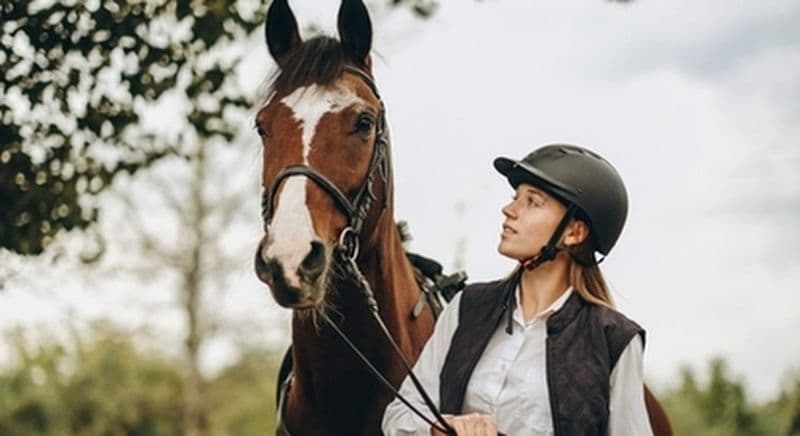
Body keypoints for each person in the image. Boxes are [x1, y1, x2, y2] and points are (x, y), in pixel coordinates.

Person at [382, 144, 653, 436]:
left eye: (532, 202)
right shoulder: (466, 307)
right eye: (515, 198)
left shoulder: (615, 340)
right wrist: (439, 428)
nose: (509, 210)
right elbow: (398, 416)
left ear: (573, 232)